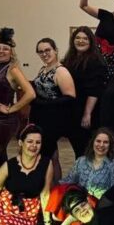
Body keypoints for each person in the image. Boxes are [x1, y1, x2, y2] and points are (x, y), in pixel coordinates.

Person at [0, 27, 35, 176]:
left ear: (11, 52)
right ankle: (9, 187)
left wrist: (11, 109)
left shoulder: (13, 70)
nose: (1, 51)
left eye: (5, 49)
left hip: (4, 122)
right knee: (0, 159)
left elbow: (30, 93)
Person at [29, 37, 77, 181]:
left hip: (53, 119)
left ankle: (53, 186)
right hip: (41, 118)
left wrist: (43, 104)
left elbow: (70, 97)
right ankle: (50, 186)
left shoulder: (61, 71)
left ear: (55, 50)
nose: (44, 54)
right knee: (51, 155)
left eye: (47, 50)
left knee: (48, 156)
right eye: (41, 52)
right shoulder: (43, 69)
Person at [62, 26, 108, 158]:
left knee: (86, 149)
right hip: (72, 110)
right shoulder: (69, 60)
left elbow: (95, 90)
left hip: (88, 111)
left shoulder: (96, 61)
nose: (81, 41)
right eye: (77, 38)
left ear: (91, 41)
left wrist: (87, 114)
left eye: (85, 38)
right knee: (77, 148)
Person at [62, 127, 114, 197]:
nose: (101, 145)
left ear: (111, 145)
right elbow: (68, 182)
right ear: (93, 142)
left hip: (103, 203)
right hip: (80, 202)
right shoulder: (81, 161)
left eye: (105, 142)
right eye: (98, 141)